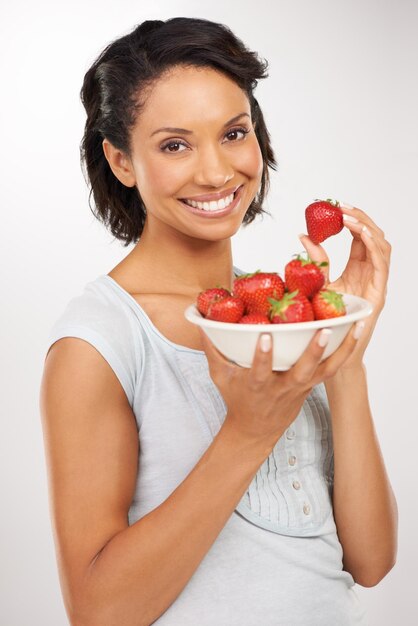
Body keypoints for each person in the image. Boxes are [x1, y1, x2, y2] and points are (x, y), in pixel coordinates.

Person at [40, 17, 397, 626]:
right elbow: (98, 613)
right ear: (122, 161)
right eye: (174, 144)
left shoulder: (280, 313)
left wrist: (344, 353)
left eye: (234, 133)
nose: (215, 172)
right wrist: (249, 431)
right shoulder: (99, 341)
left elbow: (371, 561)